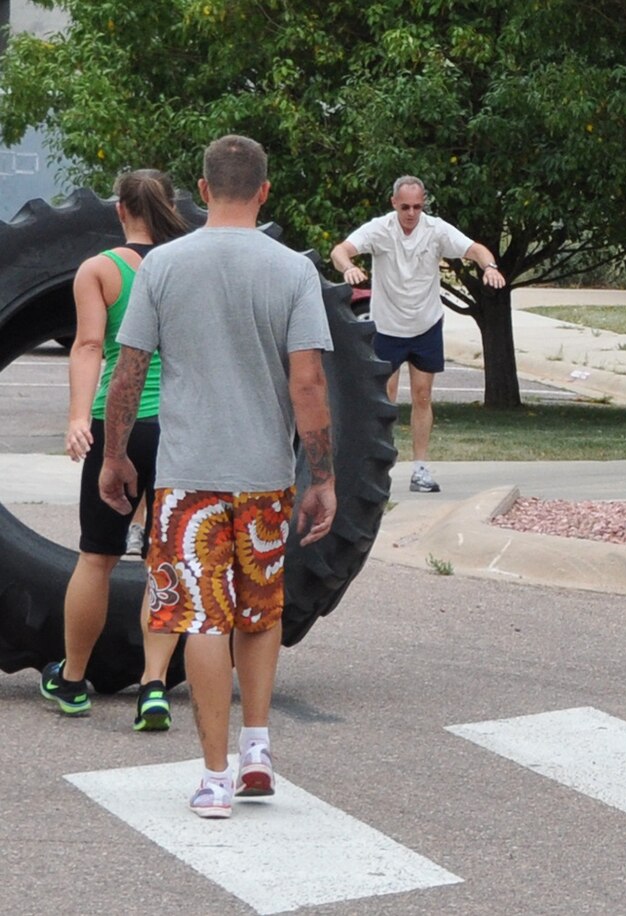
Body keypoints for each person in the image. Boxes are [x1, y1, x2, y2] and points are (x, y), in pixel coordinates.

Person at [99, 135, 336, 819]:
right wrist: (320, 475)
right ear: (264, 191)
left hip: (187, 477)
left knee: (201, 617)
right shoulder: (291, 271)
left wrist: (116, 457)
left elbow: (130, 369)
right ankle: (258, 746)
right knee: (259, 611)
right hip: (263, 472)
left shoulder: (164, 266)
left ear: (200, 191)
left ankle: (213, 776)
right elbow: (309, 382)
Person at [39, 169, 188, 730]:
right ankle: (154, 687)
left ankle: (73, 680)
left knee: (97, 556)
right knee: (166, 557)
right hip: (177, 428)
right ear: (170, 207)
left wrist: (80, 418)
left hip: (117, 426)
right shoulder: (187, 265)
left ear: (120, 211)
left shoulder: (100, 269)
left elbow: (89, 344)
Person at [329, 176, 504, 493]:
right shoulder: (380, 229)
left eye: (417, 207)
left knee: (423, 396)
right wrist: (348, 269)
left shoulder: (436, 230)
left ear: (424, 204)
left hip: (426, 324)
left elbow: (475, 249)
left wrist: (489, 266)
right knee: (386, 399)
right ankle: (377, 467)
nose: (411, 213)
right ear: (394, 203)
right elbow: (340, 250)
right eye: (405, 207)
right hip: (386, 327)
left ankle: (420, 469)